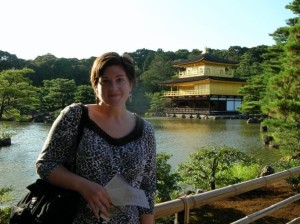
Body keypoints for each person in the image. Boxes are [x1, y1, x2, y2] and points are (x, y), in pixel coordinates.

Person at [36, 52, 156, 224]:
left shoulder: (145, 131)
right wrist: (83, 185)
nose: (113, 87)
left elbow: (147, 188)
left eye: (120, 80)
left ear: (131, 84)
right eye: (105, 81)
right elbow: (45, 164)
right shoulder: (76, 116)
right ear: (95, 86)